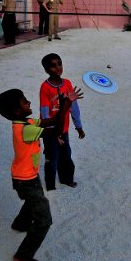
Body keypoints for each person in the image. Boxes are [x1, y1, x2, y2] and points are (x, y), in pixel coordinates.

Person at [0, 87, 83, 261]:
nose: (28, 102)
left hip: (26, 176)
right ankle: (23, 255)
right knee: (44, 220)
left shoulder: (26, 122)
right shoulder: (25, 130)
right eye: (24, 101)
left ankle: (20, 225)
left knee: (33, 199)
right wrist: (66, 105)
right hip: (25, 180)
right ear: (17, 111)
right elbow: (56, 127)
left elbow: (50, 121)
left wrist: (64, 104)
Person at [40, 53, 85, 191]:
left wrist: (78, 126)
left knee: (66, 156)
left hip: (64, 130)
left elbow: (74, 107)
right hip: (51, 131)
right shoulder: (45, 87)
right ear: (46, 69)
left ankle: (66, 179)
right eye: (53, 66)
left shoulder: (67, 84)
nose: (58, 68)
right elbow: (44, 113)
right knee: (52, 158)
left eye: (59, 63)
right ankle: (50, 184)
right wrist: (55, 133)